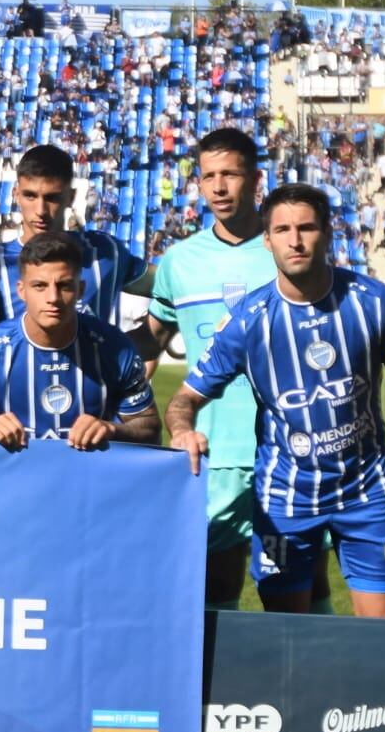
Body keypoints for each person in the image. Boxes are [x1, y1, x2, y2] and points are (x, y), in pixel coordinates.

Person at [166, 184, 385, 619]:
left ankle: (370, 692)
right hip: (284, 499)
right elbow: (184, 400)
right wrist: (182, 431)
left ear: (329, 233)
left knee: (384, 628)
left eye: (307, 227)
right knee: (288, 633)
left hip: (367, 492)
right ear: (267, 240)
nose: (295, 240)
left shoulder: (372, 302)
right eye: (283, 229)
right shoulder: (248, 321)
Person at [128, 127, 334, 614]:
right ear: (198, 184)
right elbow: (151, 342)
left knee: (302, 591)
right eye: (209, 176)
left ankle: (310, 688)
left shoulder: (288, 250)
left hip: (293, 452)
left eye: (231, 175)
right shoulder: (179, 262)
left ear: (255, 179)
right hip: (212, 452)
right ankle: (217, 690)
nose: (219, 187)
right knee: (214, 589)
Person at [0, 232, 160, 449]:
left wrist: (111, 429)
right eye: (40, 286)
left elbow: (150, 427)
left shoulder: (116, 348)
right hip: (14, 483)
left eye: (65, 286)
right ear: (21, 291)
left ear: (81, 290)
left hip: (89, 482)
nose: (53, 298)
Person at [0, 144, 151, 331]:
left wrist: (141, 342)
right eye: (30, 196)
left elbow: (169, 284)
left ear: (70, 197)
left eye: (52, 198)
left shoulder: (105, 253)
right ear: (16, 195)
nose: (40, 211)